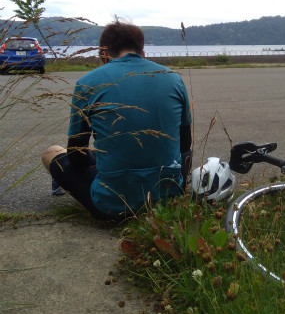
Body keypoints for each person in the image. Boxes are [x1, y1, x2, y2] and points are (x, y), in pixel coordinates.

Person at [42, 18, 192, 220]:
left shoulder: (87, 83)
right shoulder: (174, 78)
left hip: (112, 204)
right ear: (143, 53)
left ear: (104, 55)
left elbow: (76, 154)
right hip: (167, 197)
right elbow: (185, 145)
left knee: (52, 152)